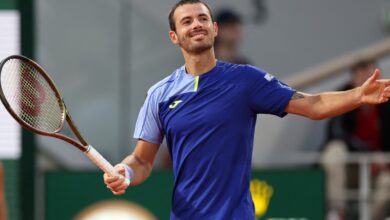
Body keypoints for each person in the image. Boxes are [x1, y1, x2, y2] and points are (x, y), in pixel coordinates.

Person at [103, 0, 390, 219]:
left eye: (203, 18)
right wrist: (125, 173)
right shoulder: (159, 94)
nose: (197, 25)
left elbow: (313, 106)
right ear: (174, 36)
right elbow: (142, 161)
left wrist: (359, 95)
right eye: (187, 21)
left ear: (214, 29)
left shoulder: (247, 80)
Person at [322, 59, 390, 220]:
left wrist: (383, 159)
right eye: (362, 76)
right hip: (349, 167)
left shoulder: (387, 103)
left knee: (388, 182)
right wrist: (367, 152)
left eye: (372, 75)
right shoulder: (341, 97)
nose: (367, 81)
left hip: (377, 170)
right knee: (334, 151)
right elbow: (334, 132)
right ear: (353, 80)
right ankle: (337, 214)